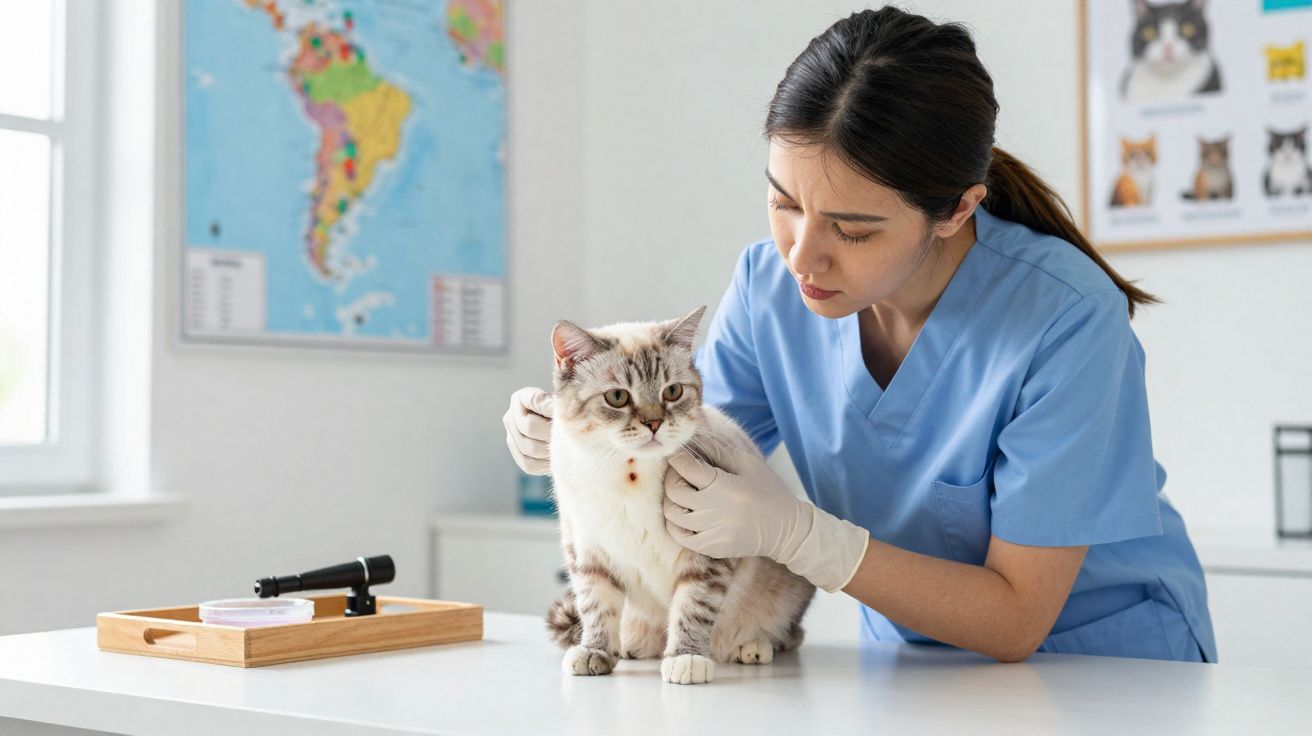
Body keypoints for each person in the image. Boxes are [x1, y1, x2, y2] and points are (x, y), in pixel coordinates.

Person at [504, 6, 1215, 664]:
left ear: (957, 209)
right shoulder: (767, 290)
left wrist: (805, 539)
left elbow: (1016, 617)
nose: (802, 257)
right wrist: (576, 440)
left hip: (1106, 666)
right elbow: (686, 464)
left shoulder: (1065, 316)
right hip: (912, 661)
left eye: (852, 228)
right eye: (784, 203)